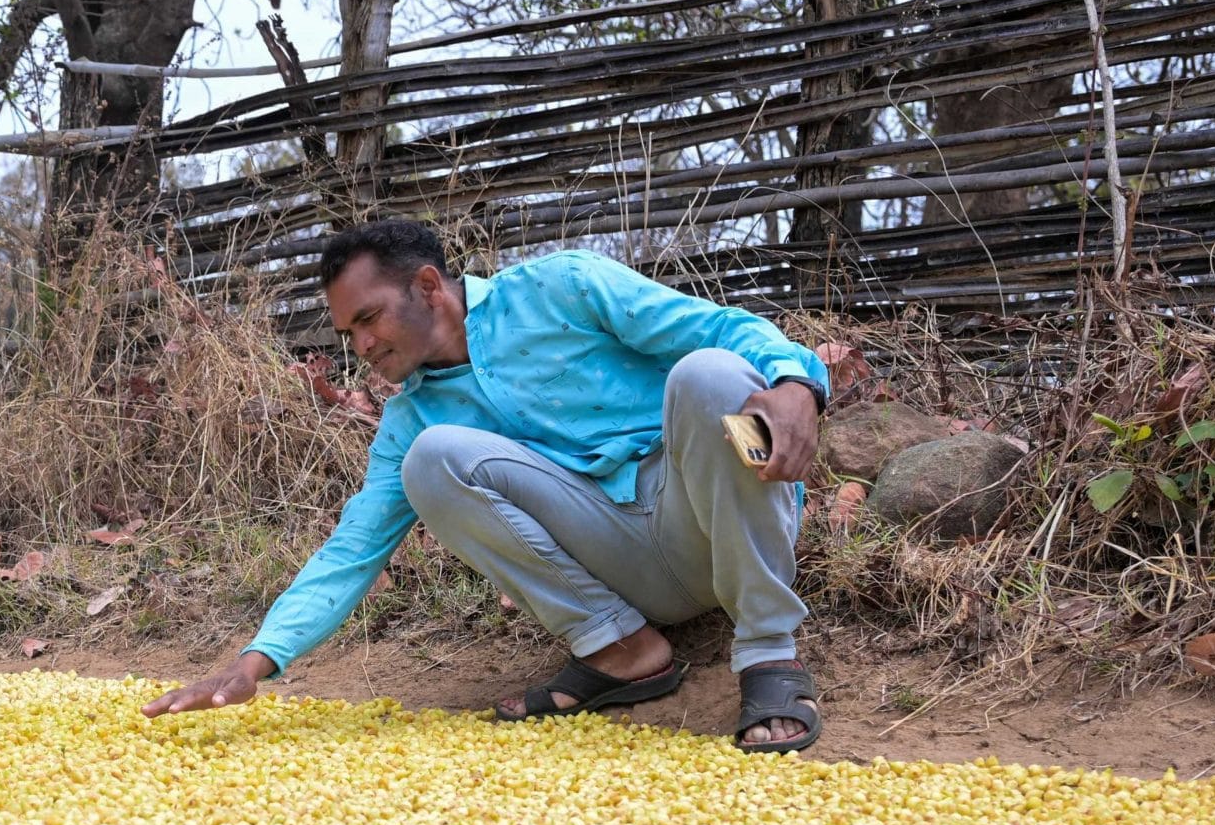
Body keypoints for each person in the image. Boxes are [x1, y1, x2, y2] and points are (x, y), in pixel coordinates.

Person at [145, 219, 831, 750]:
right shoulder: (411, 417)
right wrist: (256, 661)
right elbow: (352, 549)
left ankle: (770, 653)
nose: (360, 346)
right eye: (347, 331)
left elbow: (722, 329)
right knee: (432, 457)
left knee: (708, 371)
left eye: (368, 318)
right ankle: (625, 651)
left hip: (718, 518)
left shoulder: (562, 287)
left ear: (425, 286)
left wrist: (799, 384)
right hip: (630, 566)